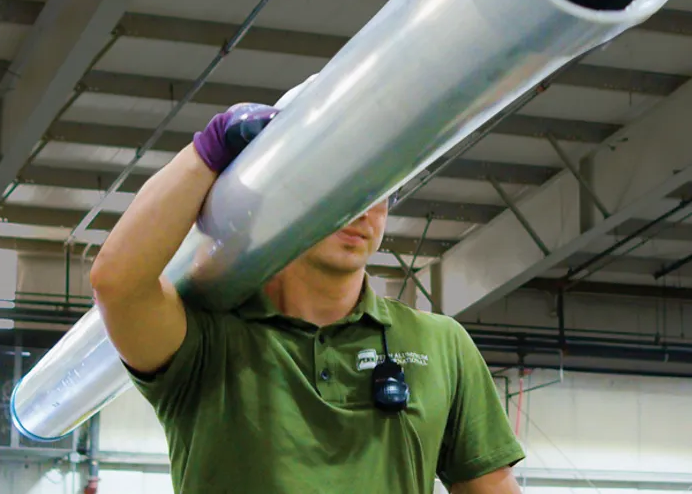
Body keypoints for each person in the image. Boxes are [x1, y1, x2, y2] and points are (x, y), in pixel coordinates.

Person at [89, 101, 526, 493]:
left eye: (380, 188)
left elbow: (492, 488)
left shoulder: (440, 344)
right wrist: (209, 150)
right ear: (288, 192)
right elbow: (118, 282)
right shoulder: (206, 340)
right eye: (337, 184)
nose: (362, 208)